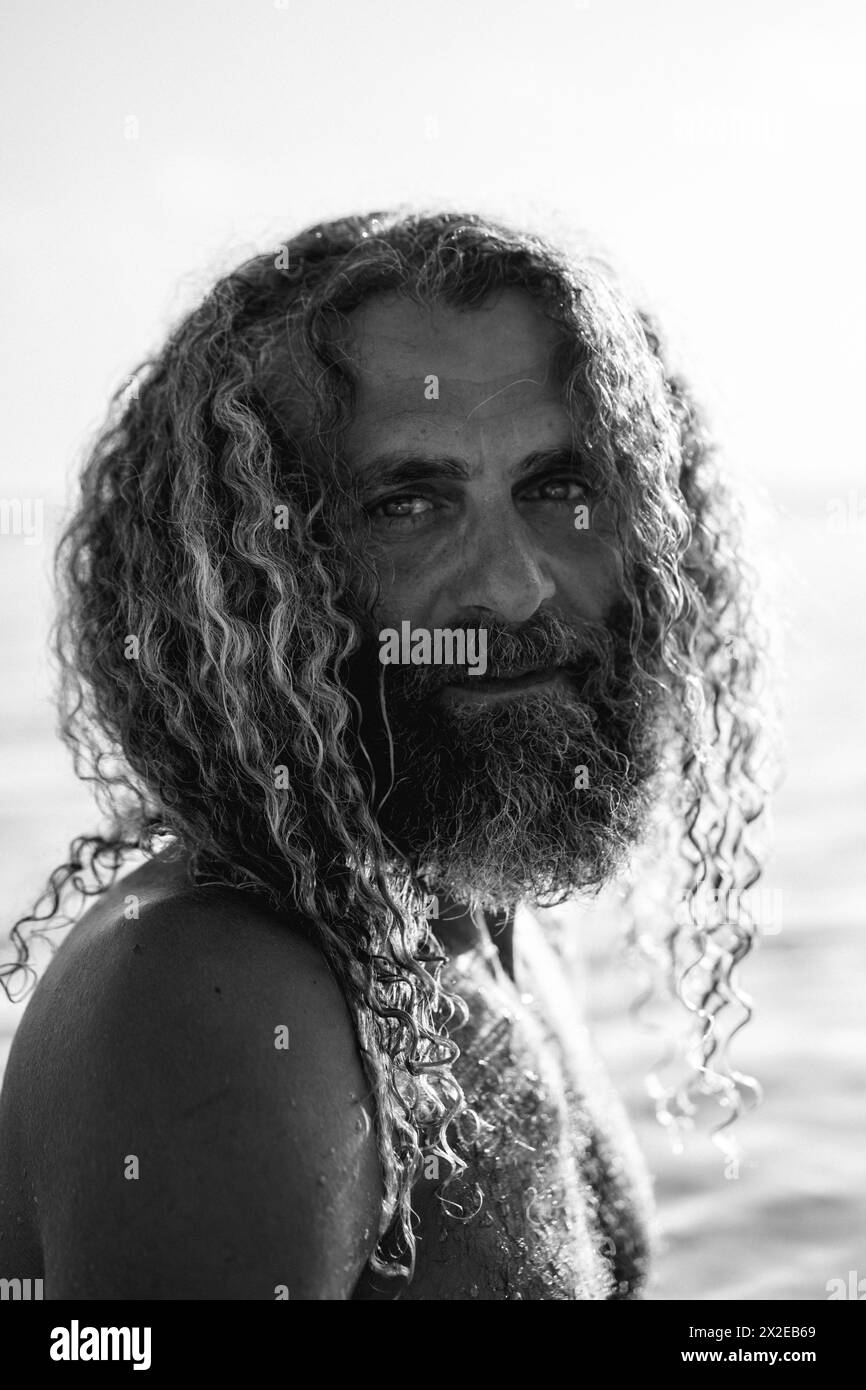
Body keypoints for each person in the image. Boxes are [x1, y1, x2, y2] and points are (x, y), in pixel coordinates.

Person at [0, 210, 772, 1299]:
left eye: (557, 487)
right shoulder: (215, 1001)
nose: (512, 587)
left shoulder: (463, 908)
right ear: (252, 567)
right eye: (409, 503)